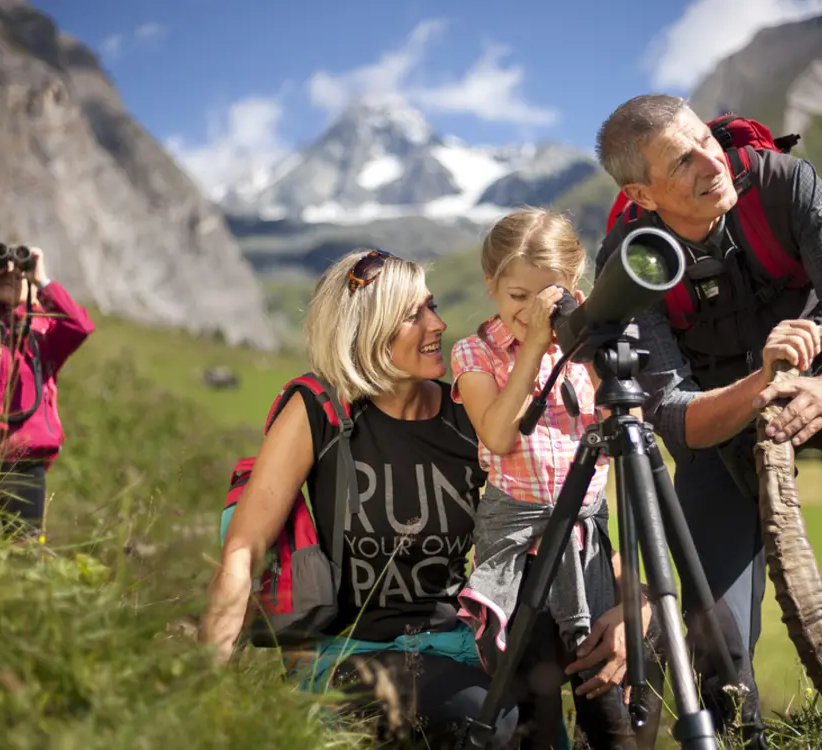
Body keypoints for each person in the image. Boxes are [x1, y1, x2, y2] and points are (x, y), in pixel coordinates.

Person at [591, 92, 822, 739]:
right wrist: (759, 382)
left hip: (817, 386)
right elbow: (673, 418)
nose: (713, 163)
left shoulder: (783, 185)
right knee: (720, 656)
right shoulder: (630, 260)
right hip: (717, 425)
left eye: (707, 140)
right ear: (643, 197)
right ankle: (740, 726)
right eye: (683, 162)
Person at [198, 249, 640, 749]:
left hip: (461, 648)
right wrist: (205, 688)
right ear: (368, 330)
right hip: (348, 653)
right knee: (486, 720)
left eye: (432, 306)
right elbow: (242, 551)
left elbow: (558, 522)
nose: (439, 323)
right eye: (415, 315)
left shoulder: (466, 418)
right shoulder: (319, 409)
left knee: (578, 691)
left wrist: (635, 601)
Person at [449, 208, 659, 750]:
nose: (530, 311)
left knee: (607, 709)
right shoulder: (475, 353)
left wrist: (590, 346)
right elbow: (496, 434)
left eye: (548, 296)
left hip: (588, 550)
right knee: (533, 720)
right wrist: (538, 347)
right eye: (517, 296)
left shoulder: (585, 352)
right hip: (519, 561)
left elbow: (627, 439)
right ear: (491, 286)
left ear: (574, 286)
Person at [0, 243, 95, 539]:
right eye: (4, 271)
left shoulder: (46, 335)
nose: (12, 275)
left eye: (21, 274)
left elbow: (81, 326)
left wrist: (42, 280)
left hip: (25, 462)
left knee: (23, 553)